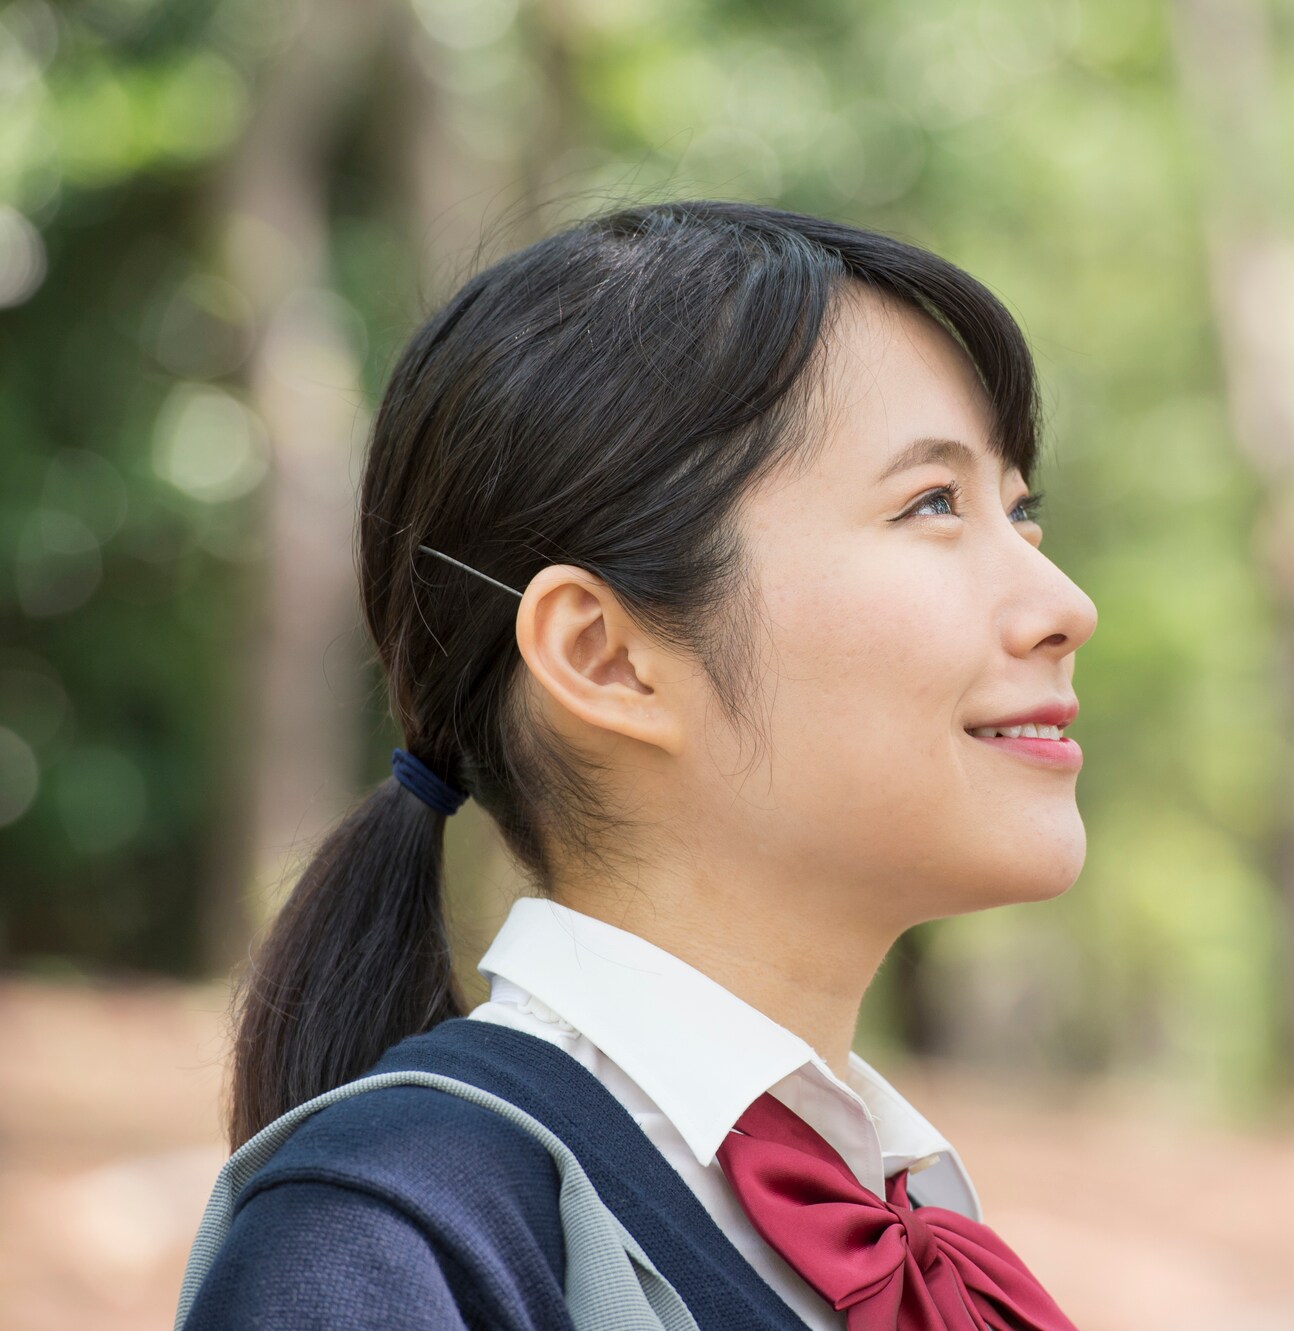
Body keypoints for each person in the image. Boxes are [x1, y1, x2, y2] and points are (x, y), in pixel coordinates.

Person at [181, 198, 1096, 1330]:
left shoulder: (904, 1232)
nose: (1065, 606)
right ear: (604, 655)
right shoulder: (393, 1235)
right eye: (931, 504)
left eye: (1021, 511)